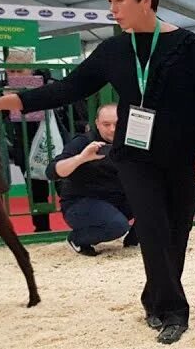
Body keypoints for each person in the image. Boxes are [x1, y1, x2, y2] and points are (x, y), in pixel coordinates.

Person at [0, 0, 195, 344]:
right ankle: (174, 312)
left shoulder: (192, 48)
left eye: (119, 1)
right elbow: (68, 89)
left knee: (177, 232)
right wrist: (5, 101)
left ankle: (155, 299)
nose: (112, 9)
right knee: (152, 229)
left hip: (186, 158)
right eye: (109, 0)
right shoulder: (113, 49)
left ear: (145, 0)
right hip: (134, 156)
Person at [45, 103, 138, 255]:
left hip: (118, 201)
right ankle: (78, 239)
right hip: (81, 203)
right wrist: (81, 158)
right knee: (117, 226)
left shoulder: (131, 142)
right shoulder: (82, 142)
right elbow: (52, 172)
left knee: (154, 199)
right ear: (97, 124)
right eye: (106, 124)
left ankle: (133, 240)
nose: (112, 129)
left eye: (117, 124)